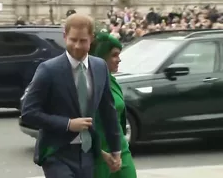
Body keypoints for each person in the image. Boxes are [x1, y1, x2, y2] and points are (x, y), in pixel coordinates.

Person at [21, 13, 122, 178]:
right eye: (72, 40)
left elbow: (108, 111)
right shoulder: (49, 70)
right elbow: (28, 113)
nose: (76, 46)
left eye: (82, 41)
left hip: (87, 153)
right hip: (57, 153)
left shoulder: (100, 67)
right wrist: (68, 124)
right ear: (65, 36)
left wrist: (115, 150)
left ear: (91, 39)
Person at [89, 32, 137, 178]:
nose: (119, 59)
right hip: (99, 152)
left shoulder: (113, 81)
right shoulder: (87, 84)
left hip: (120, 149)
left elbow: (120, 118)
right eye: (114, 55)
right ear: (102, 57)